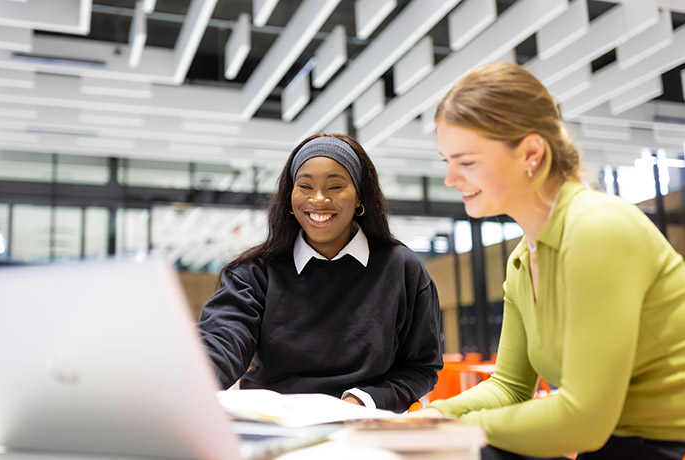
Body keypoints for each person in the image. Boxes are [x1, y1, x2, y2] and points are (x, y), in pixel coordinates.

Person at [413, 62, 685, 460]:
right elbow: (509, 386)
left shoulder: (597, 229)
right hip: (614, 445)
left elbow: (583, 420)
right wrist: (433, 415)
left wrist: (454, 430)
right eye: (447, 161)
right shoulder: (524, 259)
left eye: (466, 162)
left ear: (531, 153)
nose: (450, 179)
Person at [197, 133, 443, 412]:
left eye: (335, 186)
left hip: (362, 424)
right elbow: (222, 339)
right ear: (290, 195)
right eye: (305, 186)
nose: (318, 199)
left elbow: (421, 367)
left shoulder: (402, 269)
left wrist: (362, 400)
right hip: (273, 424)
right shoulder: (254, 273)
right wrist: (191, 379)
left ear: (359, 194)